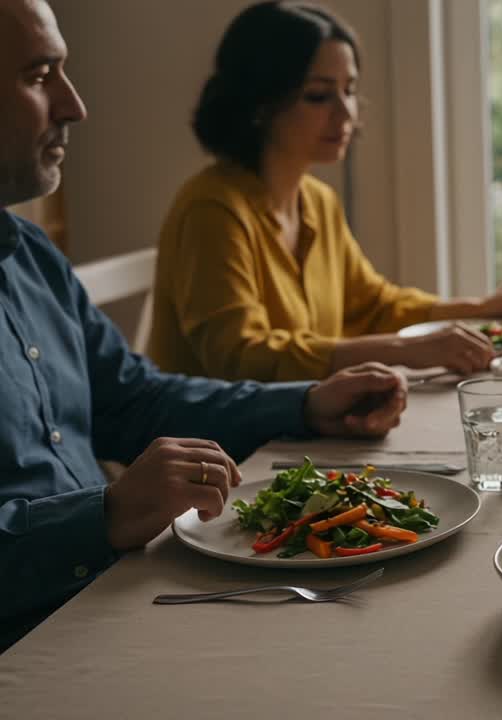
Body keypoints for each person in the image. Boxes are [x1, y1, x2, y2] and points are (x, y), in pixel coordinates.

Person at [0, 0, 409, 647]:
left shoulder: (30, 254)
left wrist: (305, 404)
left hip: (119, 599)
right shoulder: (213, 206)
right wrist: (101, 516)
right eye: (39, 74)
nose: (76, 105)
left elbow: (138, 400)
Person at [146, 1, 502, 383]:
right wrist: (404, 350)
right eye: (319, 96)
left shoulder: (316, 201)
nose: (347, 114)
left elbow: (374, 307)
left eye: (350, 90)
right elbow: (239, 357)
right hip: (214, 446)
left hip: (297, 424)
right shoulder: (212, 210)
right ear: (260, 103)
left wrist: (479, 311)